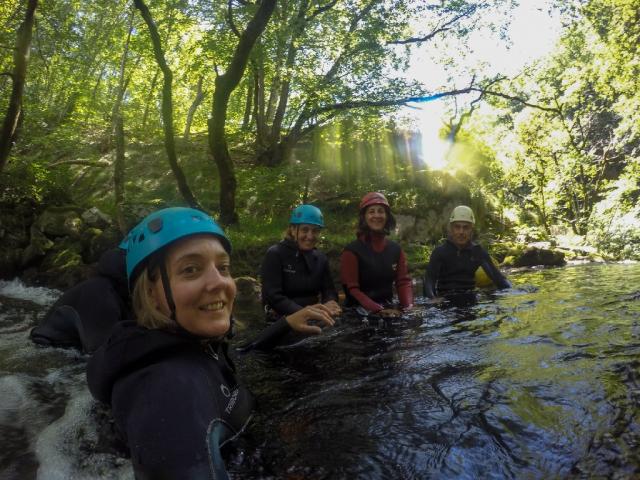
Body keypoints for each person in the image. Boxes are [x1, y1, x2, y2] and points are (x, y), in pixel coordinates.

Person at [86, 207, 335, 479]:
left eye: (223, 267)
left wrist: (285, 324)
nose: (219, 282)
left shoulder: (187, 344)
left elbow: (239, 353)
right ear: (150, 292)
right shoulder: (167, 393)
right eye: (191, 269)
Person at [30, 247, 130, 353]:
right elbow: (101, 352)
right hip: (48, 349)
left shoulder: (117, 291)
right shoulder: (102, 296)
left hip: (71, 346)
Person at [260, 204, 340, 319]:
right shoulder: (276, 254)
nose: (310, 236)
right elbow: (273, 296)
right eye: (305, 230)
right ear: (293, 230)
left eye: (315, 231)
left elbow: (329, 290)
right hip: (283, 318)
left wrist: (330, 303)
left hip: (314, 315)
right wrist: (305, 313)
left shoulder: (320, 258)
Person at [340, 192, 413, 317]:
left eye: (381, 211)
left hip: (388, 307)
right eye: (371, 211)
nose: (377, 215)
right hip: (359, 311)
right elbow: (352, 290)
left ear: (387, 216)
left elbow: (403, 282)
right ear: (364, 217)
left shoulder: (396, 249)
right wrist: (378, 310)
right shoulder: (351, 251)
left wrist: (409, 308)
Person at [423, 205, 512, 299]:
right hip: (446, 302)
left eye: (466, 228)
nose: (461, 232)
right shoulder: (440, 252)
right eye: (457, 227)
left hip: (470, 300)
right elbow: (429, 281)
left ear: (471, 230)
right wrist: (433, 299)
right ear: (451, 229)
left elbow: (499, 279)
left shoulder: (477, 252)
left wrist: (514, 293)